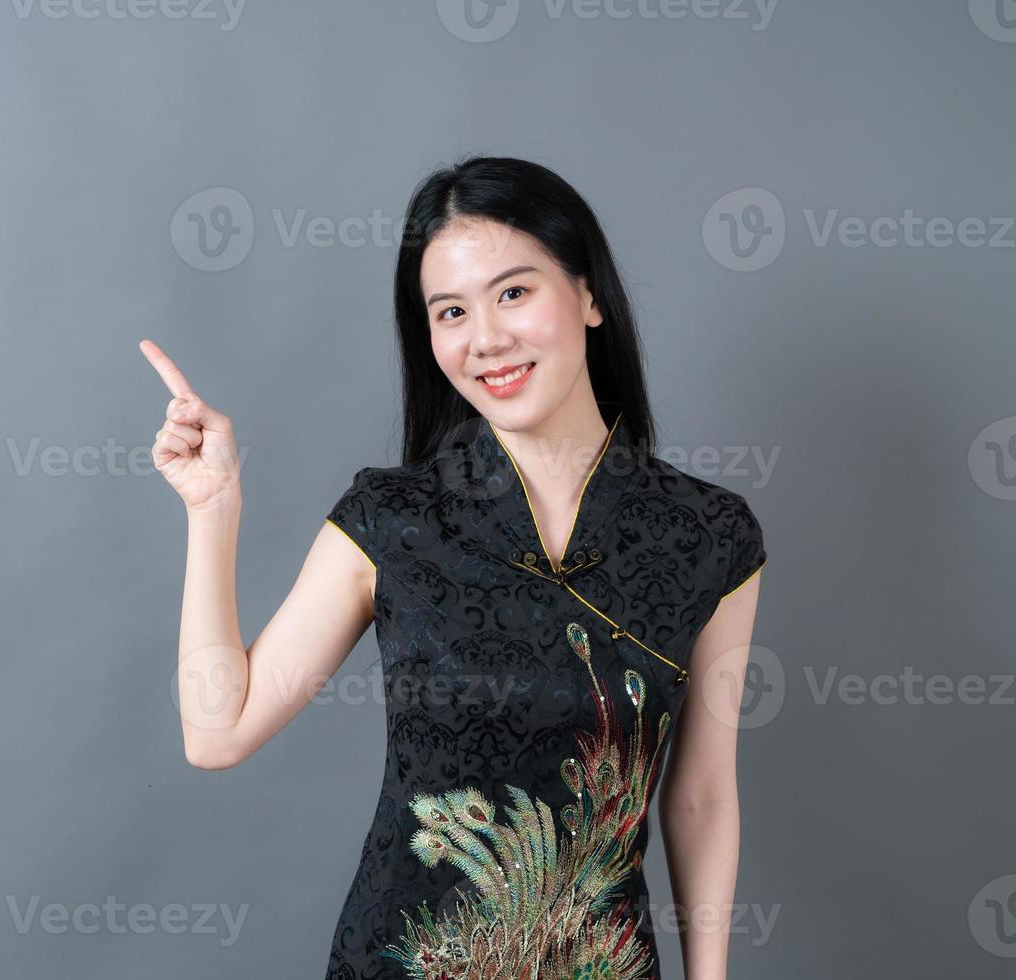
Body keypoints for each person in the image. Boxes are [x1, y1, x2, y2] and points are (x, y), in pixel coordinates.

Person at [140, 156, 766, 980]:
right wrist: (212, 511)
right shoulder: (391, 518)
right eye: (450, 311)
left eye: (514, 292)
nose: (486, 338)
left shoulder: (708, 534)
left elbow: (701, 794)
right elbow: (217, 733)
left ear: (588, 295)